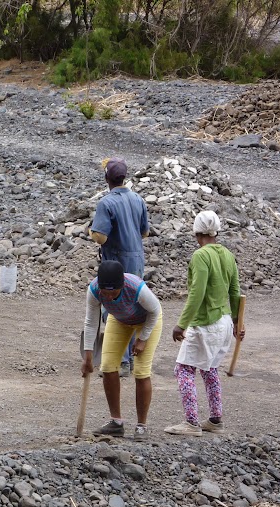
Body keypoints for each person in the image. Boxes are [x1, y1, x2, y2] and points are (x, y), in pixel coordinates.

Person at [164, 211, 244, 436]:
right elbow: (235, 291)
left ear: (196, 232)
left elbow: (196, 293)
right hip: (225, 321)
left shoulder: (200, 256)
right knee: (209, 369)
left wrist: (181, 324)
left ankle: (191, 422)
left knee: (183, 370)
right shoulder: (227, 254)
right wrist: (238, 321)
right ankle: (215, 419)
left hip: (205, 324)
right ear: (216, 231)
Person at [82, 260, 162, 441]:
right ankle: (116, 423)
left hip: (147, 321)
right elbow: (91, 322)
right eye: (105, 293)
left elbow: (155, 311)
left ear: (122, 286)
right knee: (108, 367)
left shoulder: (135, 287)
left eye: (114, 293)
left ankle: (141, 425)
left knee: (141, 371)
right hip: (119, 320)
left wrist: (142, 339)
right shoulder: (94, 290)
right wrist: (88, 355)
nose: (108, 298)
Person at [90, 157, 149, 378]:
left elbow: (101, 237)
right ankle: (132, 357)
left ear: (107, 178)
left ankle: (121, 361)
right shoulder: (138, 200)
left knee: (113, 310)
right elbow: (144, 232)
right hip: (137, 260)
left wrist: (91, 231)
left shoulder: (106, 203)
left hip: (116, 263)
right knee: (133, 307)